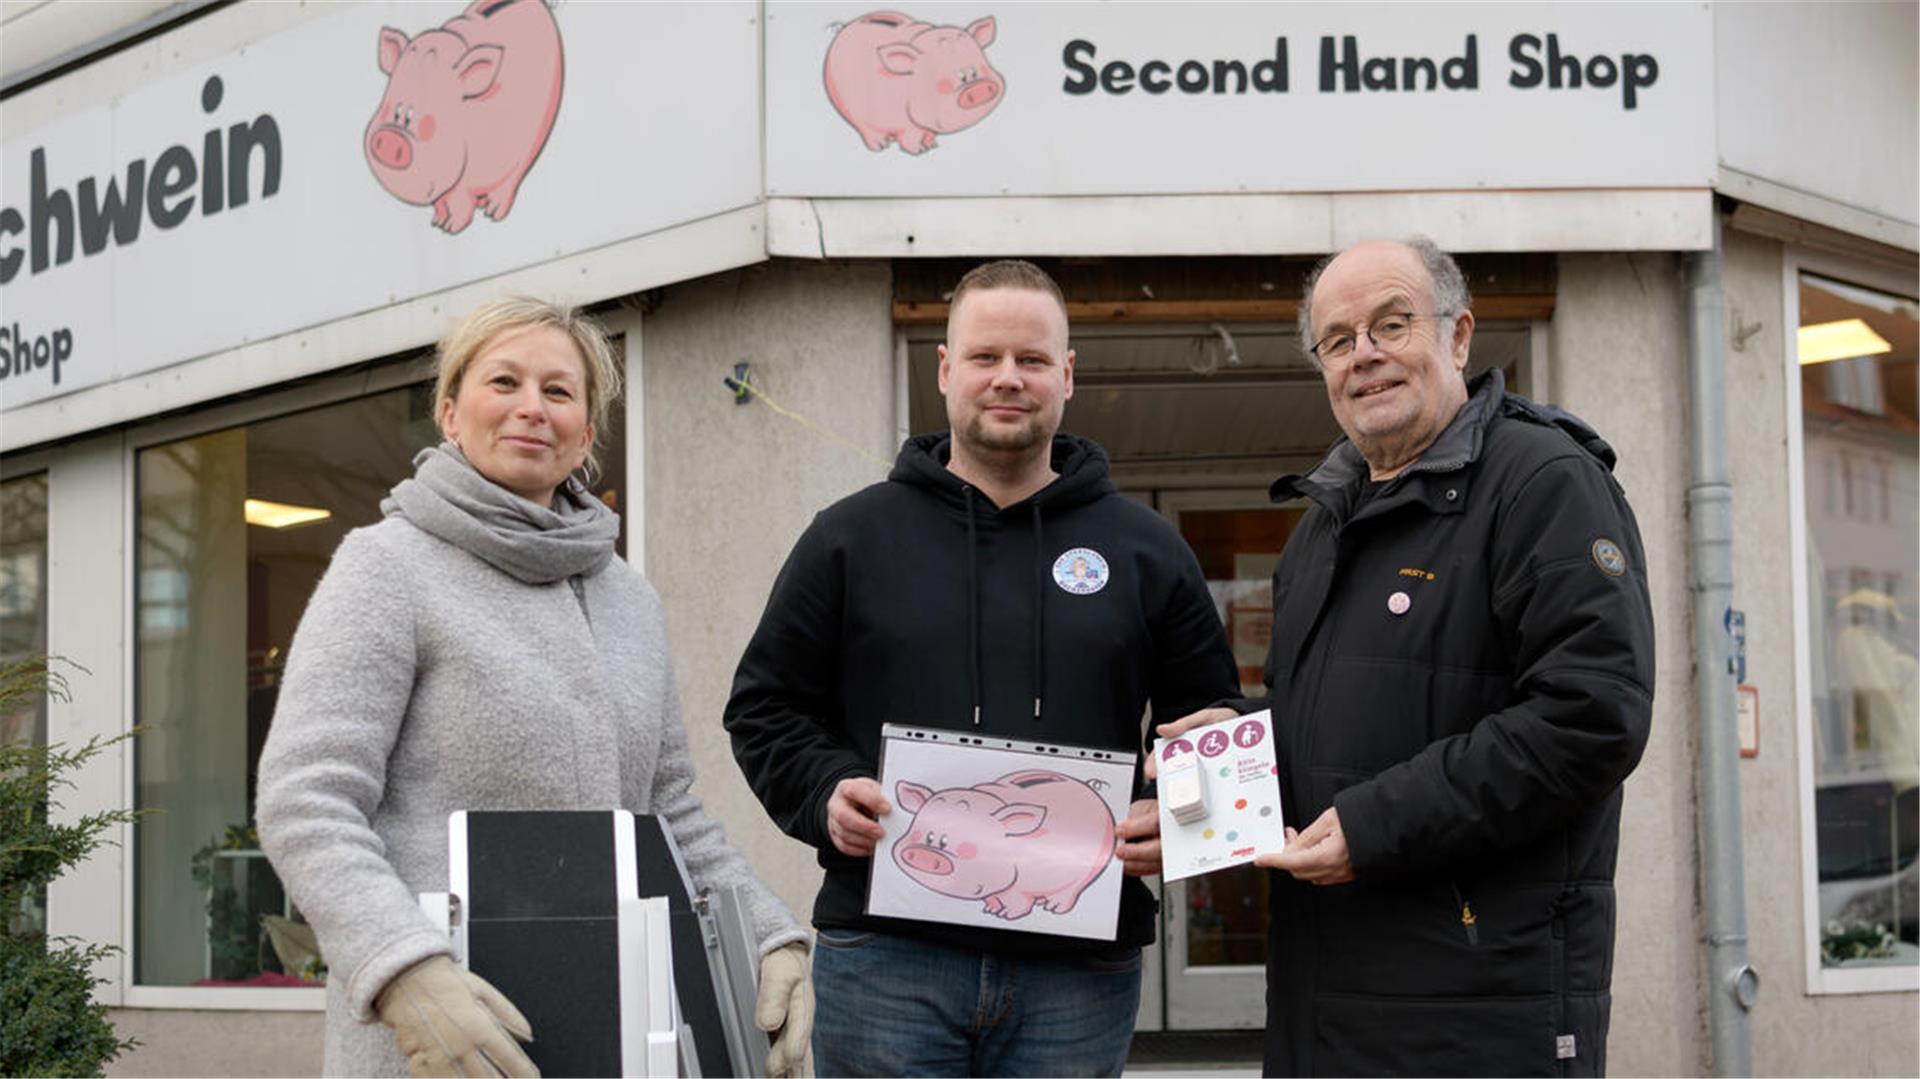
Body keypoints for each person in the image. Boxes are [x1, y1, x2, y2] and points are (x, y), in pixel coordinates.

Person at [257, 297, 812, 1079]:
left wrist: (768, 934)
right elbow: (305, 800)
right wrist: (400, 965)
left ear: (587, 432)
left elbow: (669, 809)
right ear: (450, 413)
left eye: (558, 391)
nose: (531, 408)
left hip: (616, 1022)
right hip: (445, 1034)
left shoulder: (629, 598)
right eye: (504, 381)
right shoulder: (385, 567)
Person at [724, 259, 1239, 1077]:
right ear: (944, 369)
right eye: (985, 356)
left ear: (1067, 375)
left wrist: (1174, 815)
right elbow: (765, 707)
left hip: (1079, 965)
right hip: (887, 955)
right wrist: (826, 789)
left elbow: (1213, 721)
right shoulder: (849, 538)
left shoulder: (1146, 550)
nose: (1009, 378)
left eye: (1033, 360)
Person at [1159, 238, 1655, 1076]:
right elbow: (1343, 723)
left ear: (1458, 337)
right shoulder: (1322, 527)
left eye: (1393, 324)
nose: (1366, 355)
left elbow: (1591, 717)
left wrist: (1372, 825)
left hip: (1479, 1007)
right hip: (1327, 999)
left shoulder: (1544, 484)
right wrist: (1210, 776)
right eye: (1339, 339)